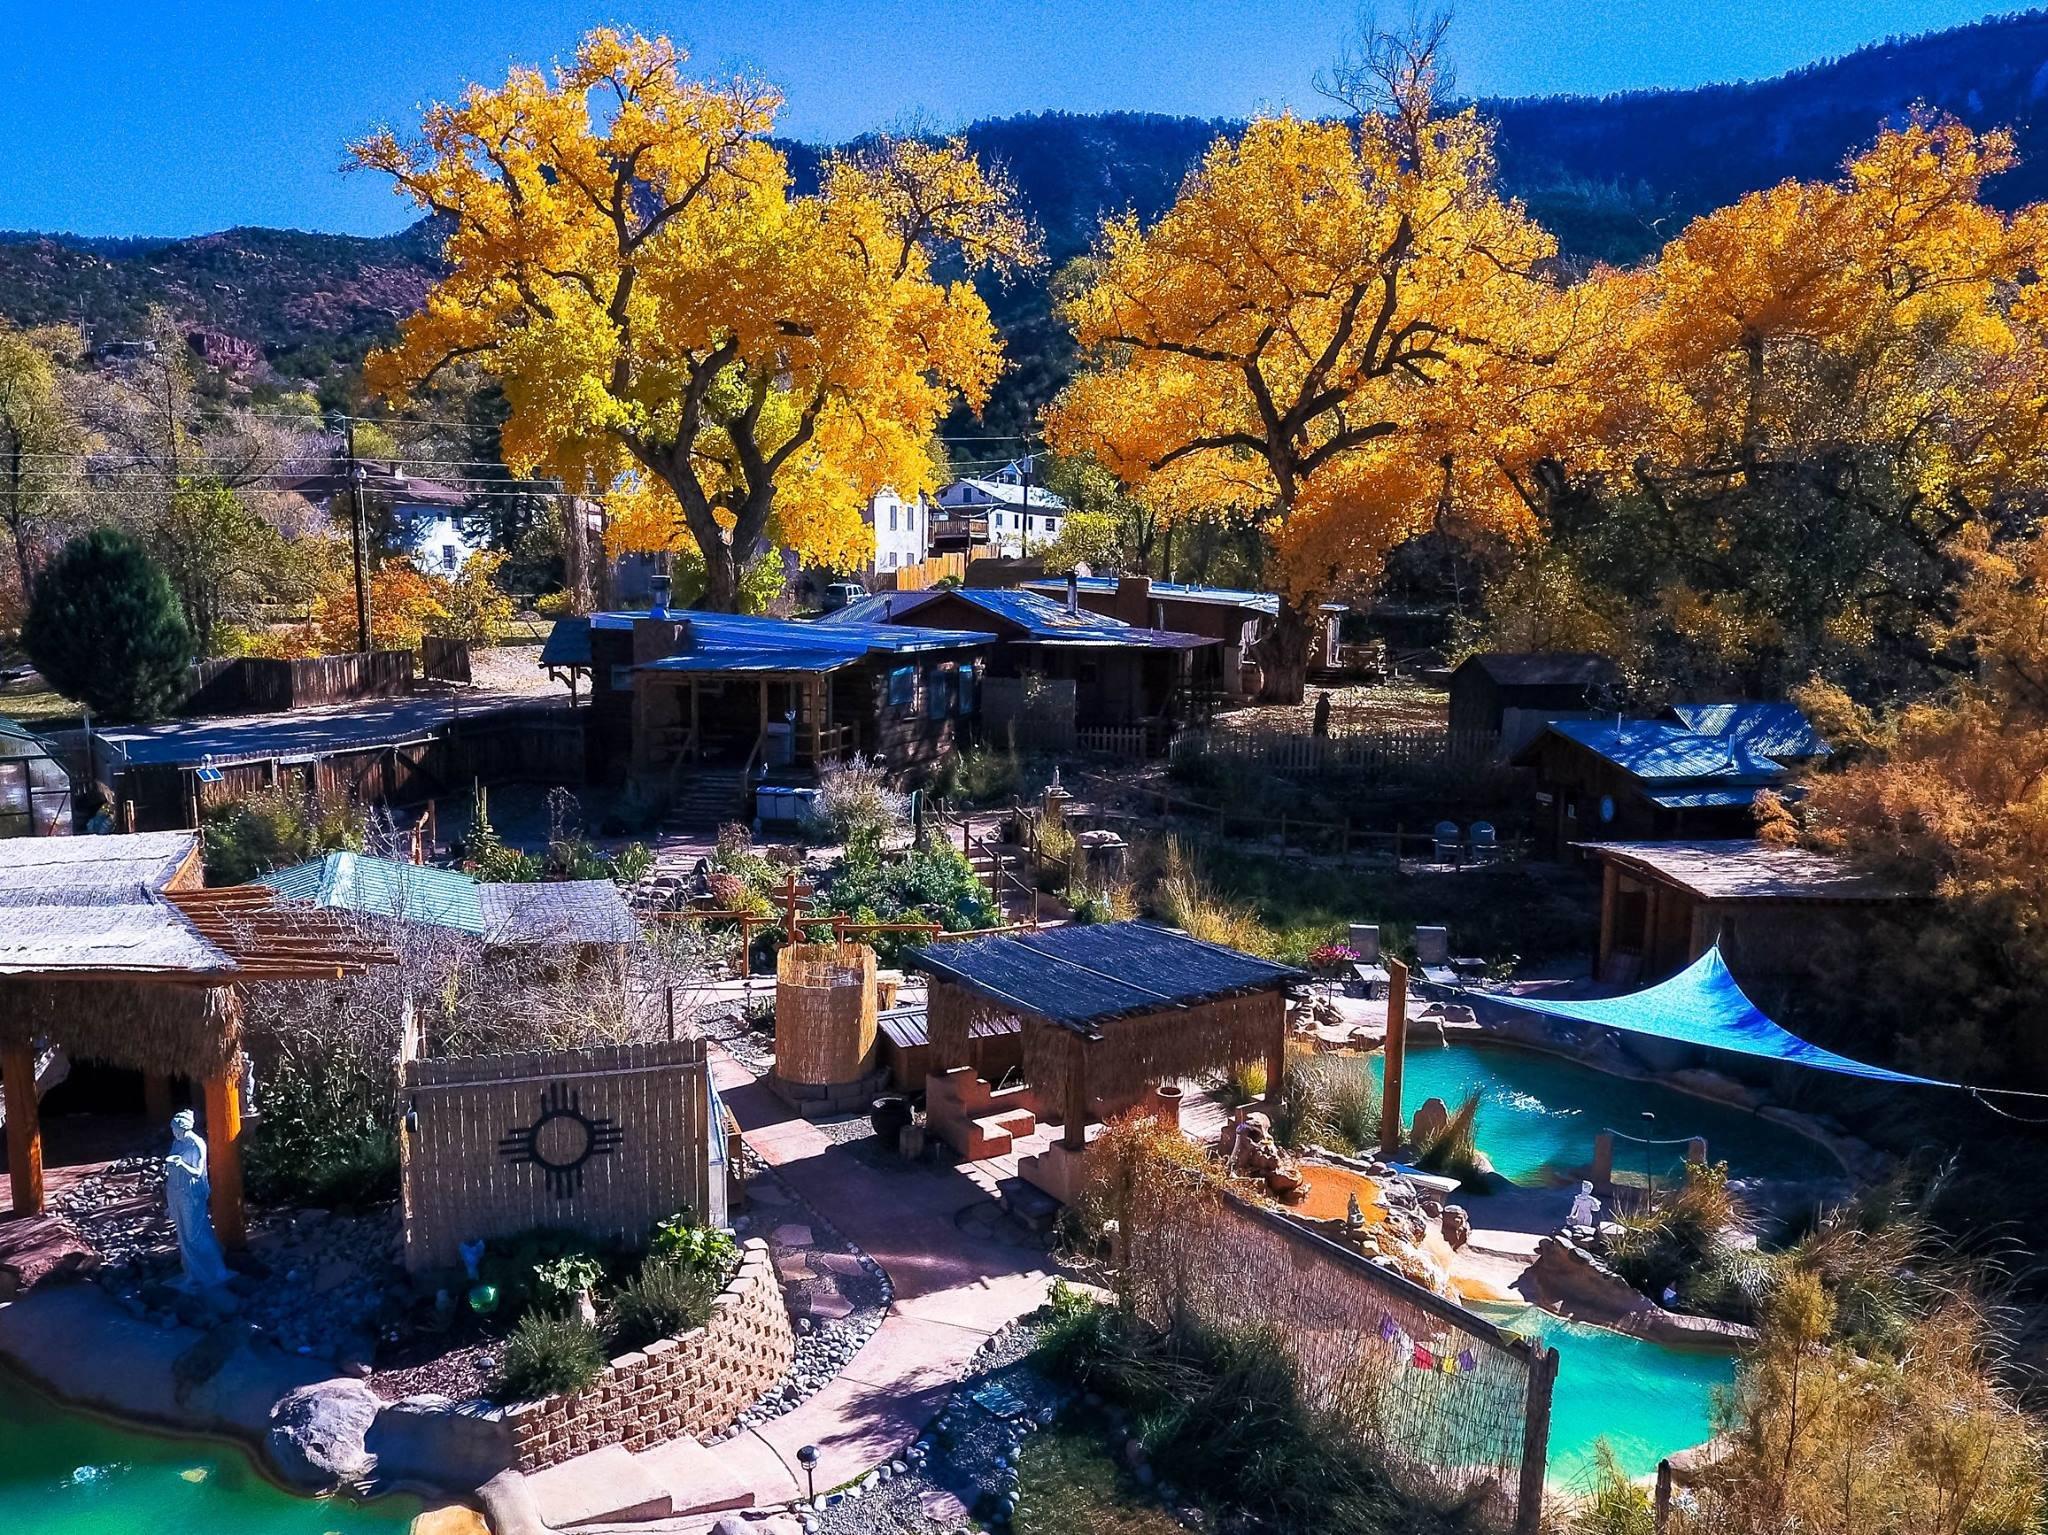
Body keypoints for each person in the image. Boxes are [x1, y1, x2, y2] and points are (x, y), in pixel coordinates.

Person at [166, 1110, 232, 1290]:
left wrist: (182, 1164)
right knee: (183, 1235)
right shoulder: (177, 1142)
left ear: (184, 1128)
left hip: (191, 1193)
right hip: (177, 1191)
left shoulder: (197, 1144)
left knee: (195, 1234)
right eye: (173, 1129)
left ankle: (216, 1270)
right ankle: (193, 1273)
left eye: (175, 1129)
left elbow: (198, 1172)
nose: (173, 1132)